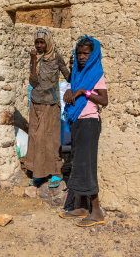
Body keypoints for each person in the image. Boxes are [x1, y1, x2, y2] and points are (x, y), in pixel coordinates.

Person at [60, 36, 108, 227]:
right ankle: (81, 207)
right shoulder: (78, 73)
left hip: (89, 123)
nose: (81, 56)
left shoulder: (96, 73)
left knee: (87, 166)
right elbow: (73, 88)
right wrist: (70, 91)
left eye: (85, 53)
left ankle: (96, 212)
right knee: (78, 164)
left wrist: (83, 92)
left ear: (93, 54)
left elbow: (104, 100)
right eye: (79, 53)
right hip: (77, 122)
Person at [26, 29, 71, 188]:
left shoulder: (57, 58)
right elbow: (33, 82)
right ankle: (38, 173)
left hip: (51, 104)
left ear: (48, 42)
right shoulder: (36, 59)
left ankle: (56, 173)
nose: (39, 45)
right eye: (37, 42)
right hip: (36, 103)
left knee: (50, 139)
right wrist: (33, 61)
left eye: (42, 42)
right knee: (35, 138)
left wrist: (74, 67)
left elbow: (68, 76)